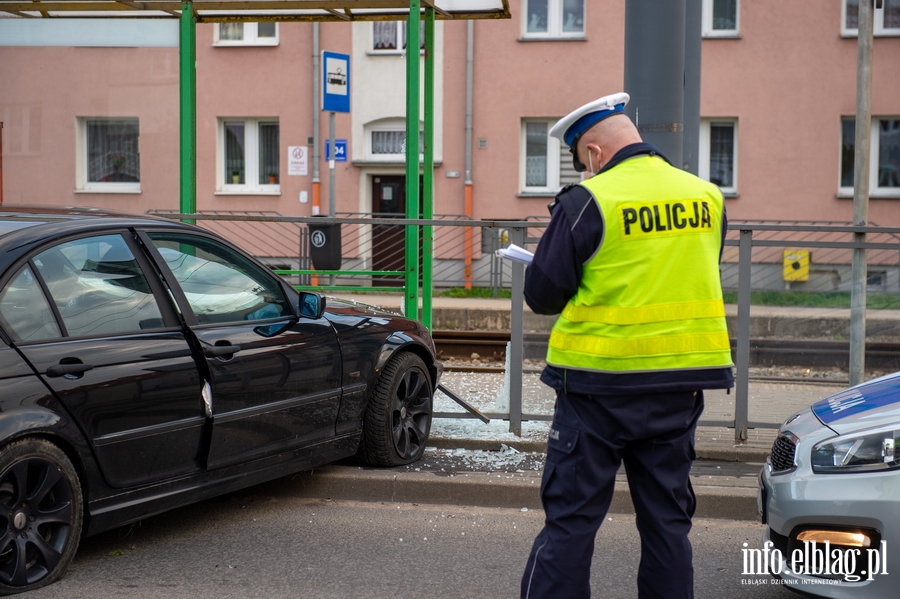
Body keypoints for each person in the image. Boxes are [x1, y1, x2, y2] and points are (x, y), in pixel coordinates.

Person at [520, 93, 734, 599]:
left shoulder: (587, 201)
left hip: (598, 389)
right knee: (666, 524)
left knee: (572, 522)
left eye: (580, 162)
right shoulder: (707, 196)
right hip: (680, 387)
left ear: (593, 152)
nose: (583, 171)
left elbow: (543, 294)